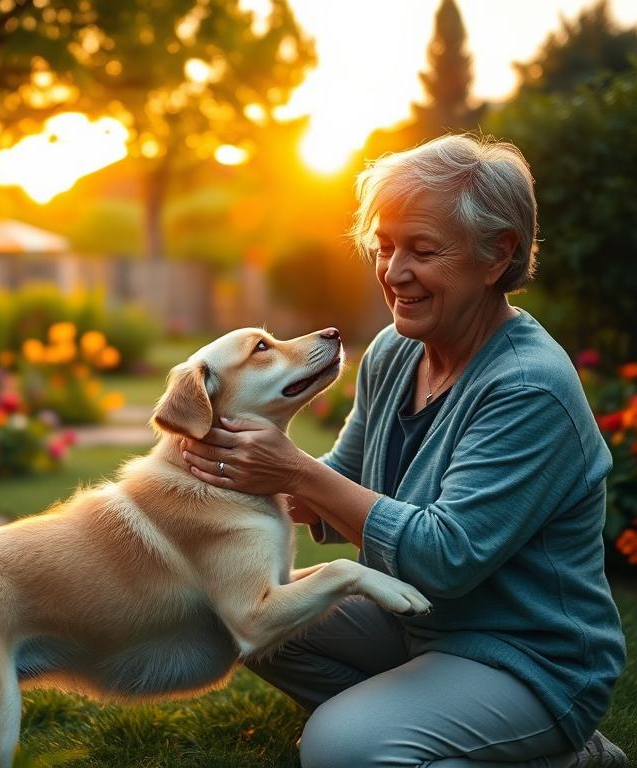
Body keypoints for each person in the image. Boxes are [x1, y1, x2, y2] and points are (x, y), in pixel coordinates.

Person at [180, 135, 627, 767]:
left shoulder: (528, 388)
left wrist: (295, 472)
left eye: (421, 250)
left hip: (526, 656)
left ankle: (559, 753)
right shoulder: (396, 351)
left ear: (496, 254)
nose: (393, 272)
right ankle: (413, 727)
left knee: (339, 748)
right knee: (238, 611)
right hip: (417, 622)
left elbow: (445, 557)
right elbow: (343, 479)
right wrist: (229, 474)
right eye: (385, 247)